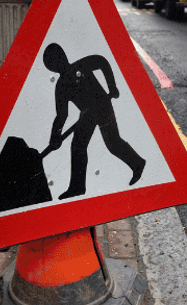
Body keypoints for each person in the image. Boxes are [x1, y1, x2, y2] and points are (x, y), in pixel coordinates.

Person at [42, 42, 145, 199]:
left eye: (57, 60)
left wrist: (112, 87)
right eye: (54, 64)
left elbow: (102, 61)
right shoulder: (61, 86)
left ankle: (137, 163)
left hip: (102, 105)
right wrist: (55, 137)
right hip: (86, 114)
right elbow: (61, 115)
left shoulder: (81, 66)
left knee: (113, 144)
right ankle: (77, 187)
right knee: (78, 147)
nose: (58, 65)